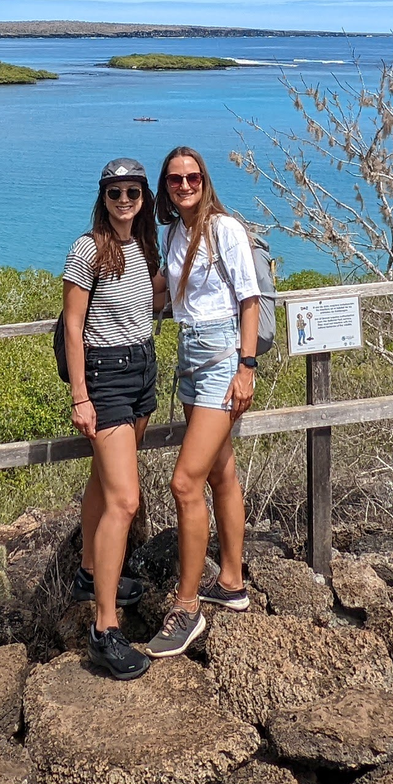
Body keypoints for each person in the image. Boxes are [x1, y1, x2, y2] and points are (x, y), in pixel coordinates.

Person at [144, 143, 263, 659]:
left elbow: (249, 300)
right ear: (165, 188)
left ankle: (187, 606)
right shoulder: (172, 234)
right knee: (220, 473)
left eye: (193, 177)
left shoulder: (225, 229)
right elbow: (163, 298)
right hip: (190, 353)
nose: (185, 185)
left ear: (205, 180)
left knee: (184, 480)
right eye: (175, 179)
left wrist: (246, 367)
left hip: (221, 357)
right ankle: (231, 582)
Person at [61, 156, 166, 680]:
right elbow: (74, 327)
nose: (124, 201)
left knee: (105, 484)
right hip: (105, 378)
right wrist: (81, 396)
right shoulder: (88, 250)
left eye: (133, 192)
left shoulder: (146, 247)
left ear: (144, 198)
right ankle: (105, 629)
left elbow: (150, 304)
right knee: (126, 499)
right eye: (115, 193)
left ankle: (87, 572)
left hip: (142, 368)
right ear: (102, 199)